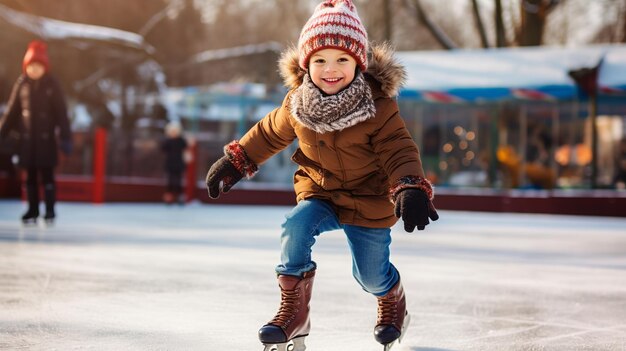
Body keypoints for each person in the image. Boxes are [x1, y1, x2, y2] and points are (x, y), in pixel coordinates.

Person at [205, 1, 438, 349]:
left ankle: (392, 299)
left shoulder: (378, 107)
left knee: (370, 276)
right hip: (321, 194)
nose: (331, 69)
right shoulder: (297, 103)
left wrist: (409, 186)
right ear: (306, 65)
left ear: (359, 63)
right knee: (295, 227)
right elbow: (269, 133)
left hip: (369, 200)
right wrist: (237, 160)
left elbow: (398, 149)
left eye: (342, 60)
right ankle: (294, 312)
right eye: (320, 60)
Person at [0, 40, 72, 225]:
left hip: (46, 140)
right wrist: (2, 132)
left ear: (45, 67)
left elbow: (62, 113)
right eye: (31, 66)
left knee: (47, 176)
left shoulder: (52, 85)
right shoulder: (22, 84)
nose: (34, 70)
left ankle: (49, 210)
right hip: (27, 141)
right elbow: (12, 111)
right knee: (30, 176)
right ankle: (32, 209)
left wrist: (66, 138)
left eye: (38, 66)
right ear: (26, 66)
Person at [161, 121, 188, 204]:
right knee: (170, 180)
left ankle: (180, 197)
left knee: (179, 180)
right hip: (170, 164)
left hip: (179, 164)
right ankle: (169, 196)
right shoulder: (168, 141)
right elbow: (163, 148)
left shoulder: (181, 141)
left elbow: (186, 148)